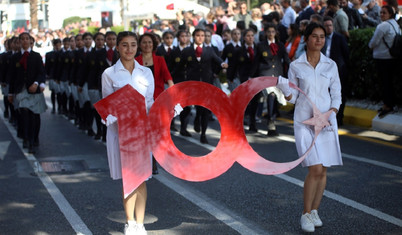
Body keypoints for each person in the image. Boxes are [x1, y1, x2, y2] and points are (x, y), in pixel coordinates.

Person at [277, 22, 342, 233]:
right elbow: (294, 97)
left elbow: (337, 94)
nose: (319, 40)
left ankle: (315, 211)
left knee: (323, 170)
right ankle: (305, 214)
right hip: (304, 123)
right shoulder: (296, 66)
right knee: (314, 167)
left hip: (326, 122)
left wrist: (331, 112)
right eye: (314, 36)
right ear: (306, 38)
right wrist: (286, 92)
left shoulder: (330, 65)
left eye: (322, 36)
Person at [102, 31, 153, 235]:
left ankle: (140, 223)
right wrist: (112, 117)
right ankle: (130, 222)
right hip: (121, 133)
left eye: (133, 45)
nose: (129, 49)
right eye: (124, 45)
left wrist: (165, 111)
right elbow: (106, 106)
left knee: (141, 178)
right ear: (117, 47)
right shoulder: (109, 74)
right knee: (128, 177)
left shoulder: (146, 73)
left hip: (141, 132)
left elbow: (149, 102)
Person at [173, 28, 228, 144]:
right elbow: (179, 67)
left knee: (204, 109)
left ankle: (203, 133)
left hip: (206, 83)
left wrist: (223, 64)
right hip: (191, 84)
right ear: (194, 37)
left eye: (202, 35)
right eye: (198, 35)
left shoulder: (209, 50)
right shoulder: (187, 51)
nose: (200, 37)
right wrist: (171, 79)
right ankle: (184, 126)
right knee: (187, 106)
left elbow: (217, 59)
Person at [135, 32, 174, 174]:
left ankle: (154, 161)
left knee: (156, 131)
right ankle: (145, 159)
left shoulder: (159, 59)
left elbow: (167, 75)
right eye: (144, 42)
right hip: (140, 100)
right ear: (140, 45)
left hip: (158, 99)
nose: (147, 45)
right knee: (144, 131)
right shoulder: (135, 60)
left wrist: (172, 88)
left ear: (154, 44)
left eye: (150, 42)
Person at [7, 32, 47, 154]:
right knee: (24, 114)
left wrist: (37, 83)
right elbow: (12, 76)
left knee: (34, 115)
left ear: (30, 41)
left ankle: (34, 137)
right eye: (22, 39)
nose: (24, 41)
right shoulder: (15, 58)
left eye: (27, 39)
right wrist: (10, 93)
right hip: (21, 90)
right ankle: (27, 139)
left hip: (34, 90)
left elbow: (41, 73)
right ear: (19, 42)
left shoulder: (36, 56)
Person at [250, 23, 290, 136]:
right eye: (269, 32)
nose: (271, 34)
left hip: (277, 76)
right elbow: (256, 61)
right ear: (266, 33)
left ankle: (271, 119)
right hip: (264, 76)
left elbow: (286, 59)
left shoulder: (281, 45)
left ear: (276, 33)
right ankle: (270, 122)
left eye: (273, 32)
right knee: (270, 95)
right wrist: (251, 76)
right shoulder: (261, 45)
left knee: (275, 98)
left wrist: (294, 70)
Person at [368, 5, 400, 118]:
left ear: (390, 14)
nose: (381, 14)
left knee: (385, 83)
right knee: (389, 83)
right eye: (380, 12)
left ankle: (387, 105)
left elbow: (373, 43)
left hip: (382, 58)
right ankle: (391, 103)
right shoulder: (395, 24)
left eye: (384, 13)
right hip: (392, 57)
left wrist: (370, 46)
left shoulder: (382, 26)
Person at [322, 16, 349, 125]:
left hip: (338, 70)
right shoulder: (321, 38)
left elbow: (346, 54)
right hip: (323, 70)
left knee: (338, 93)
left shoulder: (339, 38)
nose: (329, 28)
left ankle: (339, 117)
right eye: (326, 26)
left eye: (330, 25)